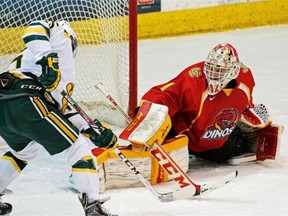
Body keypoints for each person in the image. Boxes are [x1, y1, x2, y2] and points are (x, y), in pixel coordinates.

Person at [0, 20, 117, 215]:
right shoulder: (60, 39)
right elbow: (34, 27)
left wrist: (92, 129)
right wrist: (49, 58)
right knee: (77, 146)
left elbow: (61, 108)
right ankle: (93, 205)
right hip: (25, 100)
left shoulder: (26, 58)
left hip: (6, 103)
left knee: (23, 151)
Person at [131, 43, 281, 164]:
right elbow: (167, 95)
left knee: (223, 155)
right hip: (182, 136)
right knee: (173, 146)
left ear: (233, 71)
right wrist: (148, 111)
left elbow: (243, 101)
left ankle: (249, 135)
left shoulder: (245, 78)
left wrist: (250, 113)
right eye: (211, 68)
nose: (213, 75)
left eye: (219, 71)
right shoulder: (193, 78)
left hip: (213, 142)